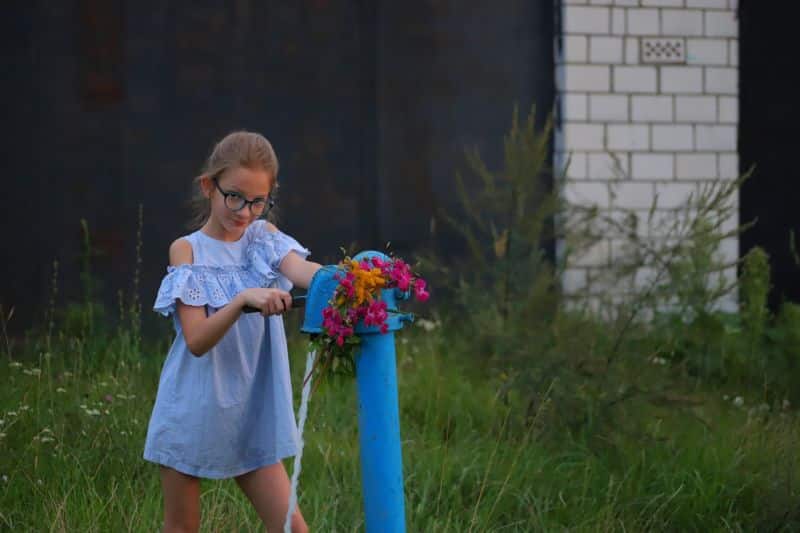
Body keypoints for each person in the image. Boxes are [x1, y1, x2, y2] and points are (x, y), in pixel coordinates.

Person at [144, 131, 320, 532]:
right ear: (209, 186)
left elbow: (307, 273)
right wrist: (242, 299)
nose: (245, 211)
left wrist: (354, 280)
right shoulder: (186, 250)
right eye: (235, 197)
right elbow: (197, 340)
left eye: (258, 201)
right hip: (192, 410)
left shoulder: (264, 239)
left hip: (250, 414)